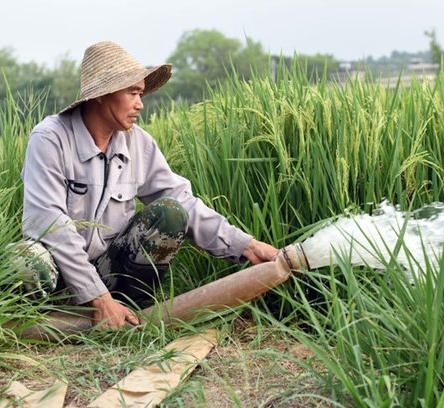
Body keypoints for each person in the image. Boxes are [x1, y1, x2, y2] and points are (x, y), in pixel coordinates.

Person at [18, 40, 279, 330]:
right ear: (103, 95)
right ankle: (45, 319)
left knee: (170, 212)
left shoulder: (138, 142)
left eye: (141, 93)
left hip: (112, 274)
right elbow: (48, 222)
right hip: (62, 274)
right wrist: (96, 296)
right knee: (23, 263)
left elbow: (185, 202)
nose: (140, 104)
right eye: (132, 93)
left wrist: (247, 246)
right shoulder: (50, 139)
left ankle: (124, 311)